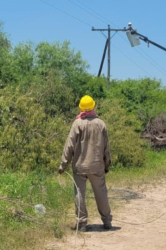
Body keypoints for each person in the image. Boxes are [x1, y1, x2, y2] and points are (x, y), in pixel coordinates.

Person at [58, 95, 112, 232]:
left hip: (80, 167)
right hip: (97, 166)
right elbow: (106, 148)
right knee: (101, 193)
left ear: (81, 108)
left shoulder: (77, 123)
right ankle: (107, 222)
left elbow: (69, 145)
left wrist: (62, 165)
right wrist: (107, 164)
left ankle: (82, 224)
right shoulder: (101, 124)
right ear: (93, 106)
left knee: (79, 194)